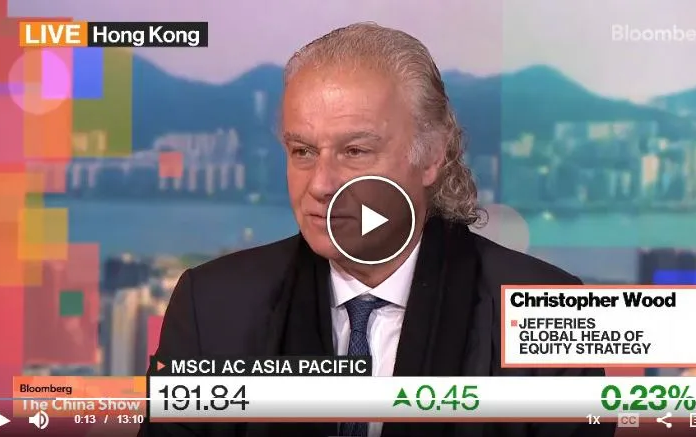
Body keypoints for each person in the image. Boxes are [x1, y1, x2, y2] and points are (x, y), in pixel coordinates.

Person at [139, 23, 616, 437]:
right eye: (303, 151)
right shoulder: (211, 305)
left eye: (355, 152)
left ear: (431, 156)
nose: (320, 185)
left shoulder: (546, 310)